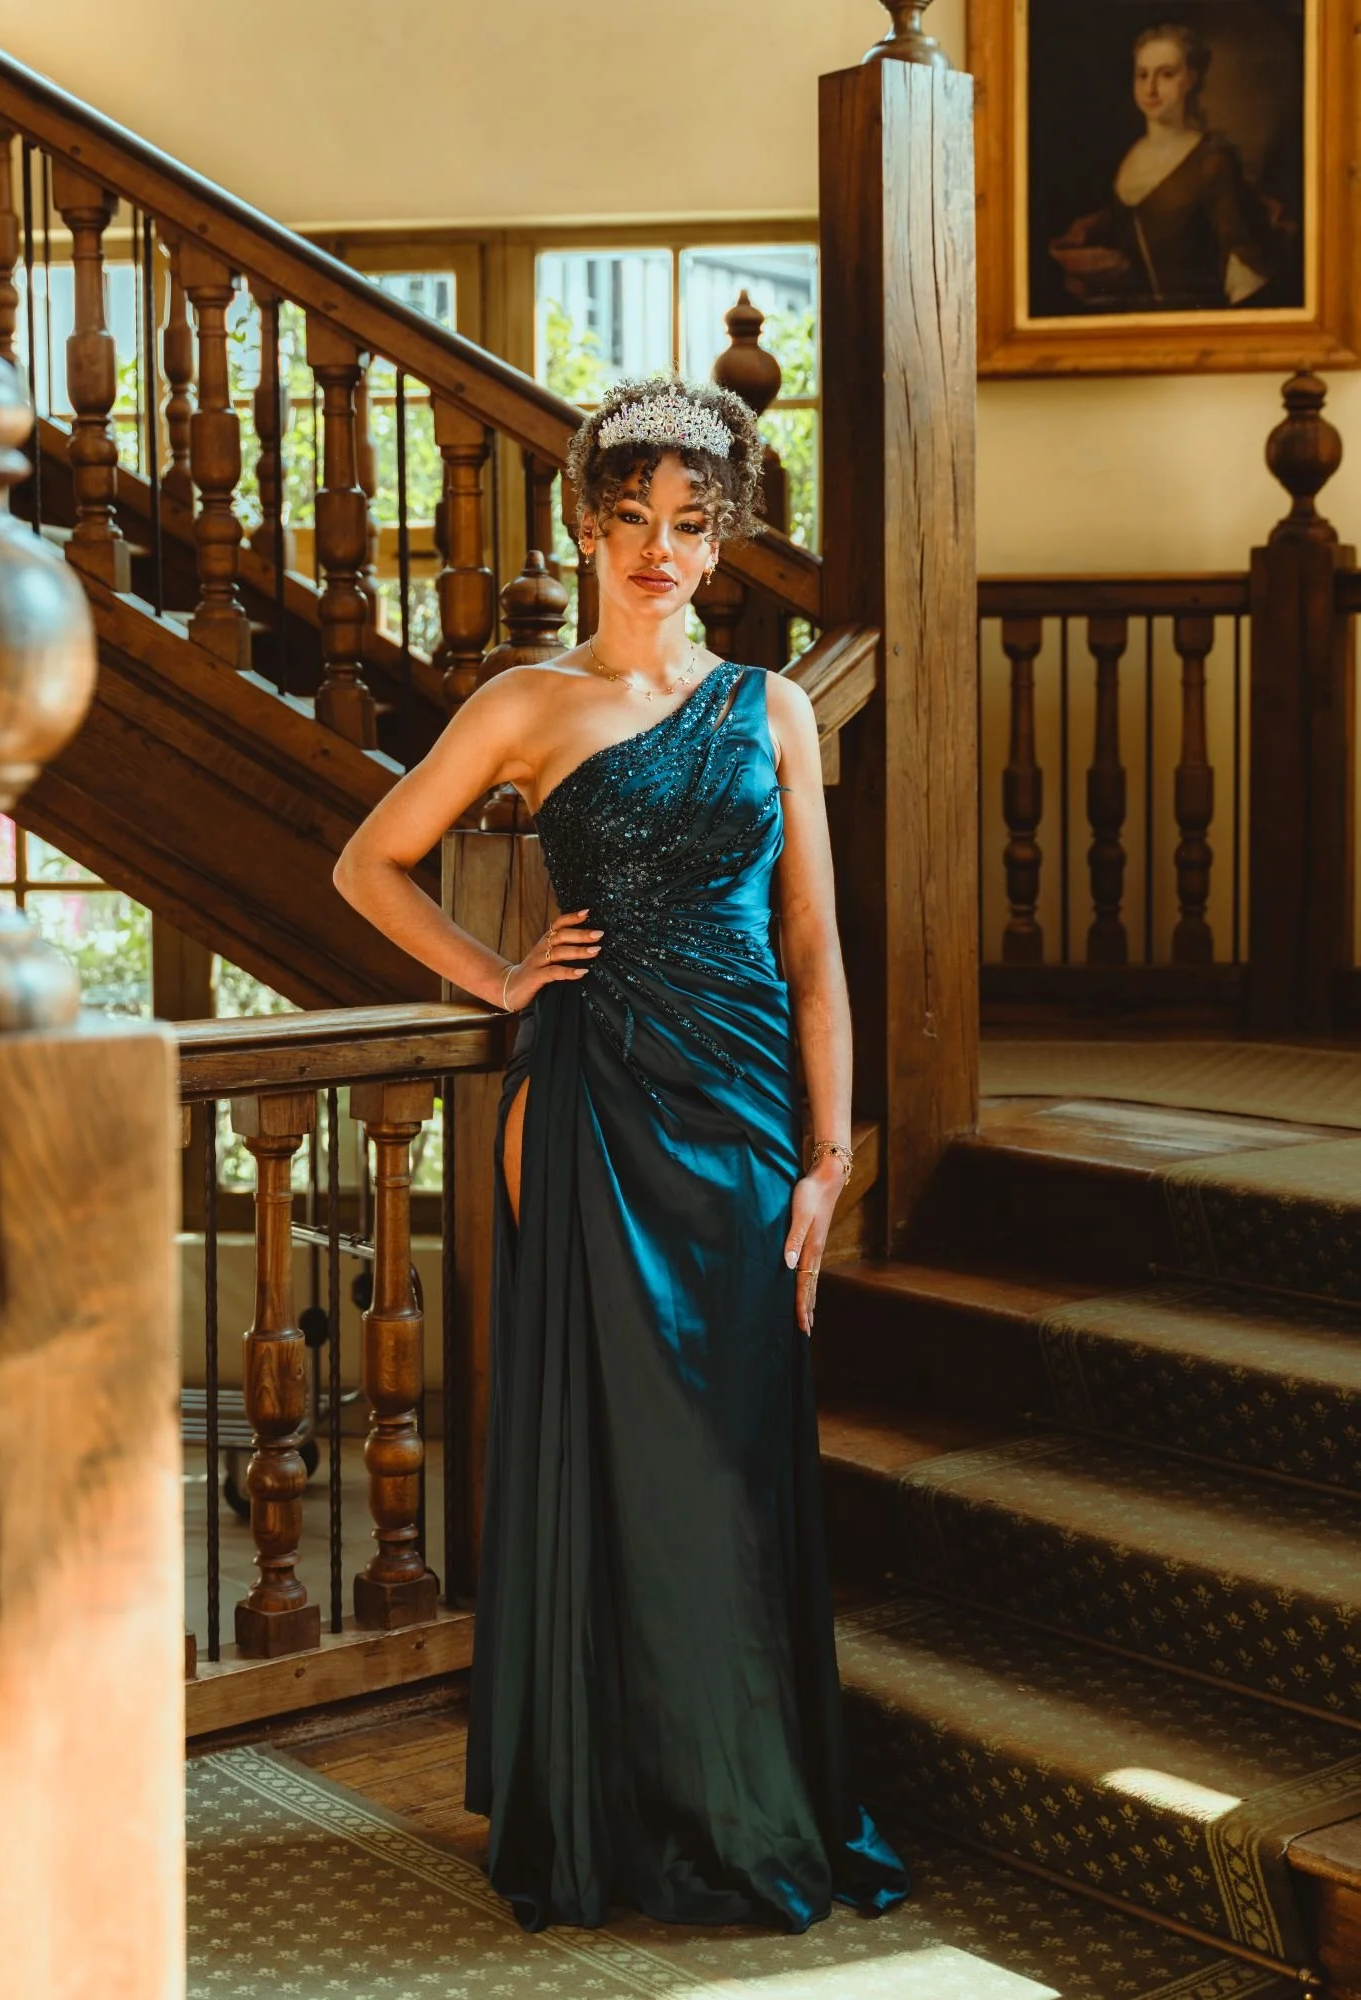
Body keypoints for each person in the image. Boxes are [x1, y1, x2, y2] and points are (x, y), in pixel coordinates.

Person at [332, 375, 909, 1934]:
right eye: (634, 520)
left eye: (692, 525)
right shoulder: (525, 705)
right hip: (589, 1099)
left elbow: (813, 947)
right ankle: (604, 1805)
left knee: (728, 1456)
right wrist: (503, 975)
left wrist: (829, 1153)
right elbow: (367, 861)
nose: (662, 550)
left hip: (740, 1120)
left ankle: (741, 1794)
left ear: (720, 545)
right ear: (586, 528)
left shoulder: (773, 706)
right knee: (612, 1442)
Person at [1048, 22, 1284, 313]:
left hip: (1197, 320)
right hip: (1130, 321)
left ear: (1191, 79)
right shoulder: (1128, 158)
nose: (1150, 88)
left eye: (1166, 74)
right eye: (1142, 75)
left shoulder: (1212, 162)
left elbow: (1238, 259)